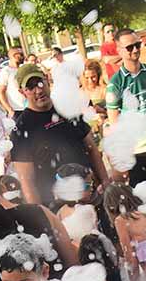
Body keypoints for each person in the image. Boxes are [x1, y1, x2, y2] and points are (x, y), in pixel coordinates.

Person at [11, 64, 109, 205]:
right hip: (58, 206)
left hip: (90, 195)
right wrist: (41, 213)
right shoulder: (22, 129)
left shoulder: (67, 108)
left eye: (40, 83)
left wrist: (105, 182)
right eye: (30, 87)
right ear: (22, 92)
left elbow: (92, 148)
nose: (38, 90)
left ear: (47, 80)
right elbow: (26, 181)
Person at [105, 28, 146, 187]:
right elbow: (114, 123)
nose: (135, 50)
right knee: (143, 197)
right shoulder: (115, 83)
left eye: (137, 45)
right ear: (119, 50)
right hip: (137, 152)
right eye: (129, 47)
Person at [0, 45, 28, 117]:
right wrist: (9, 110)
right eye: (21, 54)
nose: (23, 56)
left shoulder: (23, 69)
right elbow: (1, 92)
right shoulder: (6, 71)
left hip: (28, 107)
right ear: (14, 56)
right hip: (16, 110)